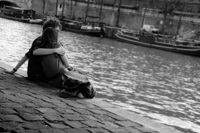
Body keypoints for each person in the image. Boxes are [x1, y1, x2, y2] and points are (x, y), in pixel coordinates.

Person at [34, 26, 96, 99]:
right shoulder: (57, 47)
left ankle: (75, 91)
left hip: (51, 81)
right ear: (55, 37)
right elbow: (67, 66)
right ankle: (79, 92)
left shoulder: (39, 46)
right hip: (61, 79)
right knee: (86, 80)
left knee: (78, 77)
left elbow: (34, 52)